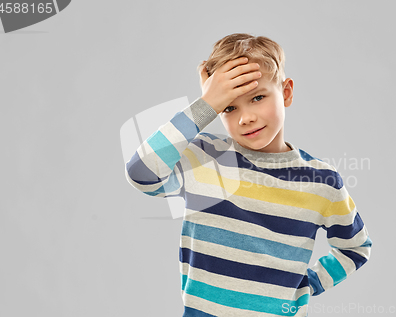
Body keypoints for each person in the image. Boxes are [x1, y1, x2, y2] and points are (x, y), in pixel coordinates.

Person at [125, 33, 372, 317]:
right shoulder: (204, 160)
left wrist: (309, 284)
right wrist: (205, 105)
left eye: (258, 97)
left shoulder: (321, 181)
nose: (246, 117)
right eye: (229, 107)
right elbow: (141, 174)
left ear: (286, 93)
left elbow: (356, 248)